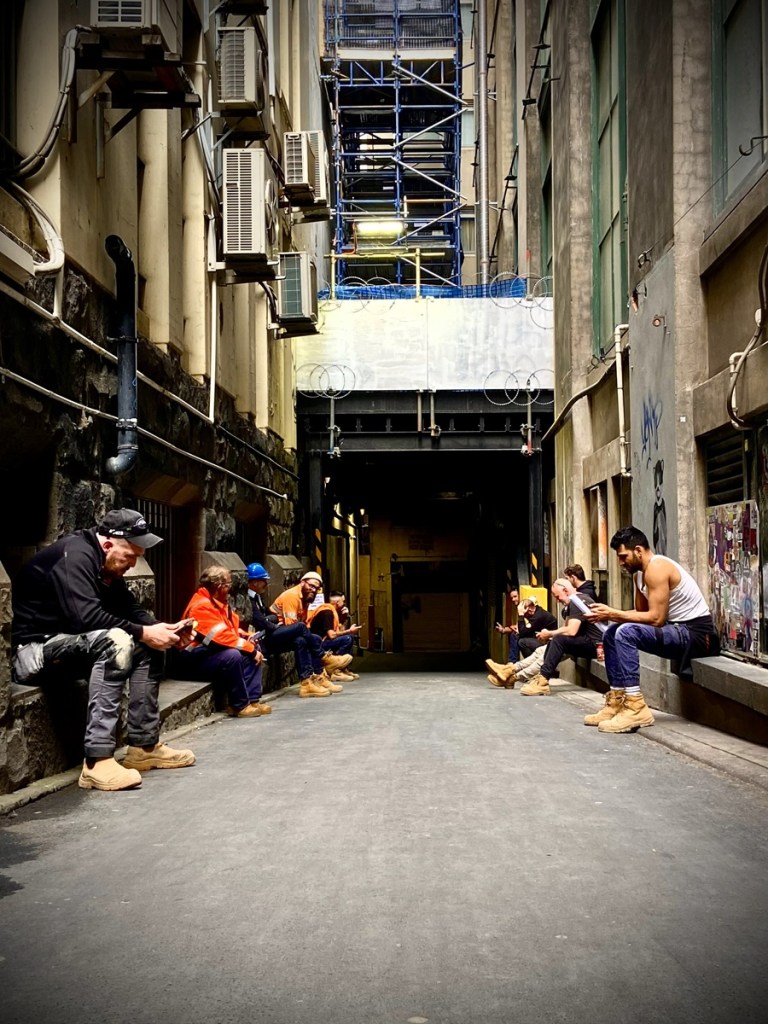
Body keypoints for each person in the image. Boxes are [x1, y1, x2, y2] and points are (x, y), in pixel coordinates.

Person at [11, 508, 196, 792]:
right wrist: (145, 632)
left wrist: (163, 629)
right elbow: (85, 618)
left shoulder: (104, 561)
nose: (133, 565)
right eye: (130, 557)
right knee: (118, 641)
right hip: (33, 652)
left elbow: (130, 608)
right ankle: (97, 763)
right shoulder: (76, 556)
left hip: (70, 648)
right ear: (108, 544)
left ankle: (144, 748)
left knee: (147, 645)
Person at [584, 526, 720, 733]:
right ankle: (617, 702)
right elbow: (641, 614)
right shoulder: (639, 574)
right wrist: (609, 616)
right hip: (675, 630)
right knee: (612, 632)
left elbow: (655, 618)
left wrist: (612, 613)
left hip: (696, 634)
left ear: (638, 550)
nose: (621, 563)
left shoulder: (657, 568)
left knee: (625, 631)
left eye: (623, 556)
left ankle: (636, 706)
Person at [175, 566, 270, 719]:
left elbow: (228, 631)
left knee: (250, 646)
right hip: (192, 659)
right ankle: (239, 705)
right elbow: (219, 637)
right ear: (219, 587)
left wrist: (247, 637)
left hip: (206, 653)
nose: (230, 589)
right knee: (233, 655)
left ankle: (252, 700)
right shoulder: (202, 606)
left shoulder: (217, 602)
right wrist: (249, 648)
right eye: (228, 585)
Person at [270, 571, 353, 696]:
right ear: (302, 582)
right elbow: (292, 626)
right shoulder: (292, 596)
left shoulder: (305, 599)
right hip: (274, 634)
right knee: (302, 629)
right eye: (311, 586)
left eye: (317, 588)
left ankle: (311, 681)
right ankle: (325, 658)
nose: (313, 590)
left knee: (305, 640)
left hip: (288, 634)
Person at [517, 577, 602, 695]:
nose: (558, 601)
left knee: (558, 640)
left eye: (558, 597)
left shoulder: (577, 601)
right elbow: (566, 629)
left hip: (596, 645)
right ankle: (539, 676)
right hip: (589, 641)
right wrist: (550, 636)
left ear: (566, 591)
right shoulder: (574, 602)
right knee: (554, 641)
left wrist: (549, 633)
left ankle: (543, 680)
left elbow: (571, 631)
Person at [307, 590, 361, 682]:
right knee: (348, 639)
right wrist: (350, 631)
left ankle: (343, 668)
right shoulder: (327, 612)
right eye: (343, 602)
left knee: (348, 638)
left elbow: (340, 632)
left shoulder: (334, 612)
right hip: (319, 645)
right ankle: (336, 670)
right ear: (337, 602)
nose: (344, 604)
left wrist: (345, 617)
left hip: (324, 641)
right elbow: (332, 635)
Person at [493, 585, 520, 662]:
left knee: (514, 635)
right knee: (514, 634)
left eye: (515, 596)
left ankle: (512, 663)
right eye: (511, 598)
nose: (513, 599)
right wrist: (503, 630)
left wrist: (505, 630)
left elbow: (519, 628)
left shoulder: (524, 607)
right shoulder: (518, 608)